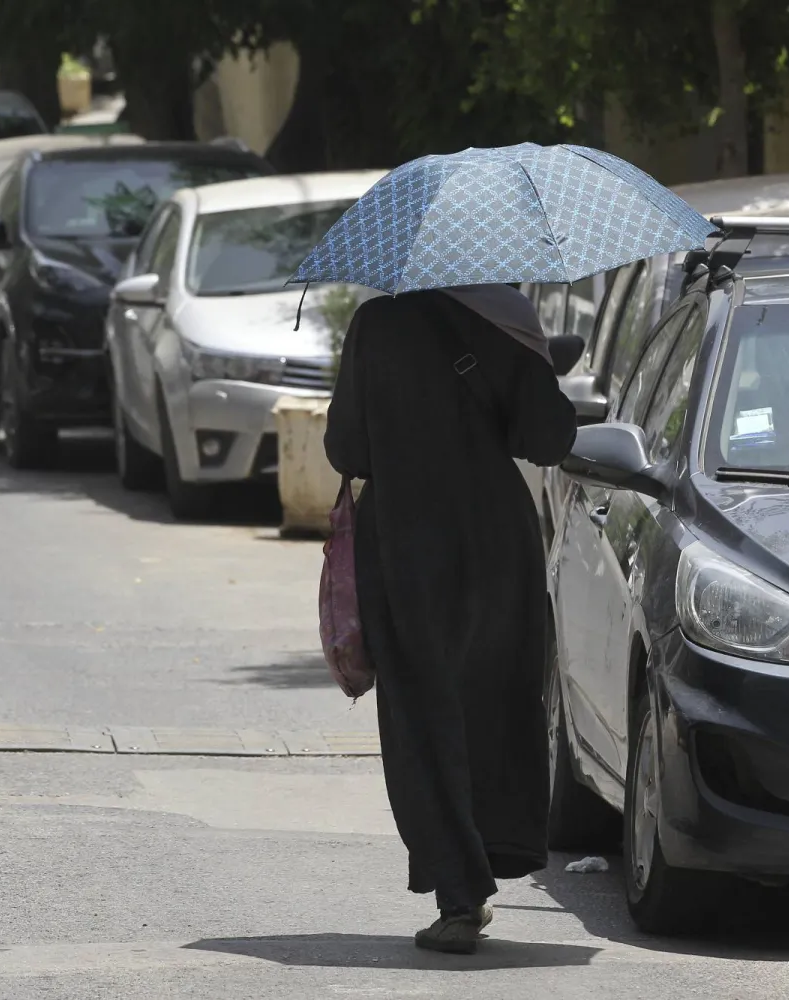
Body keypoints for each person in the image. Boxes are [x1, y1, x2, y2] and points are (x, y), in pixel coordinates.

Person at [323, 285, 577, 954]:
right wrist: (535, 363)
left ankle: (459, 897)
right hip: (498, 544)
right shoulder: (510, 319)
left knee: (424, 711)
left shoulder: (376, 323)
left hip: (404, 547)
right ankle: (493, 853)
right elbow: (548, 440)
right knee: (497, 701)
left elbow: (346, 448)